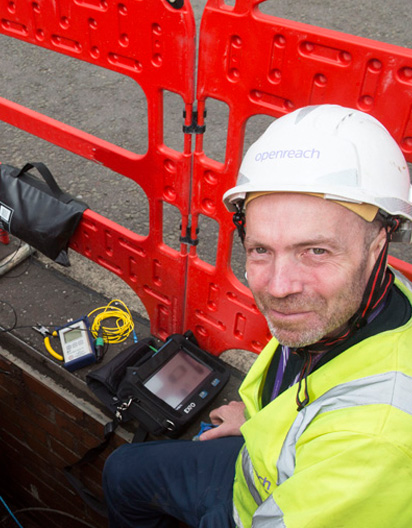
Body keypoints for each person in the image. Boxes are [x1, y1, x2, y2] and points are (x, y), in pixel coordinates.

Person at [102, 104, 412, 527]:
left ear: (378, 247)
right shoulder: (359, 303)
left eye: (316, 251)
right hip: (257, 466)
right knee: (123, 472)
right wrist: (258, 421)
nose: (279, 286)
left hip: (249, 513)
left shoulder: (373, 444)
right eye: (261, 249)